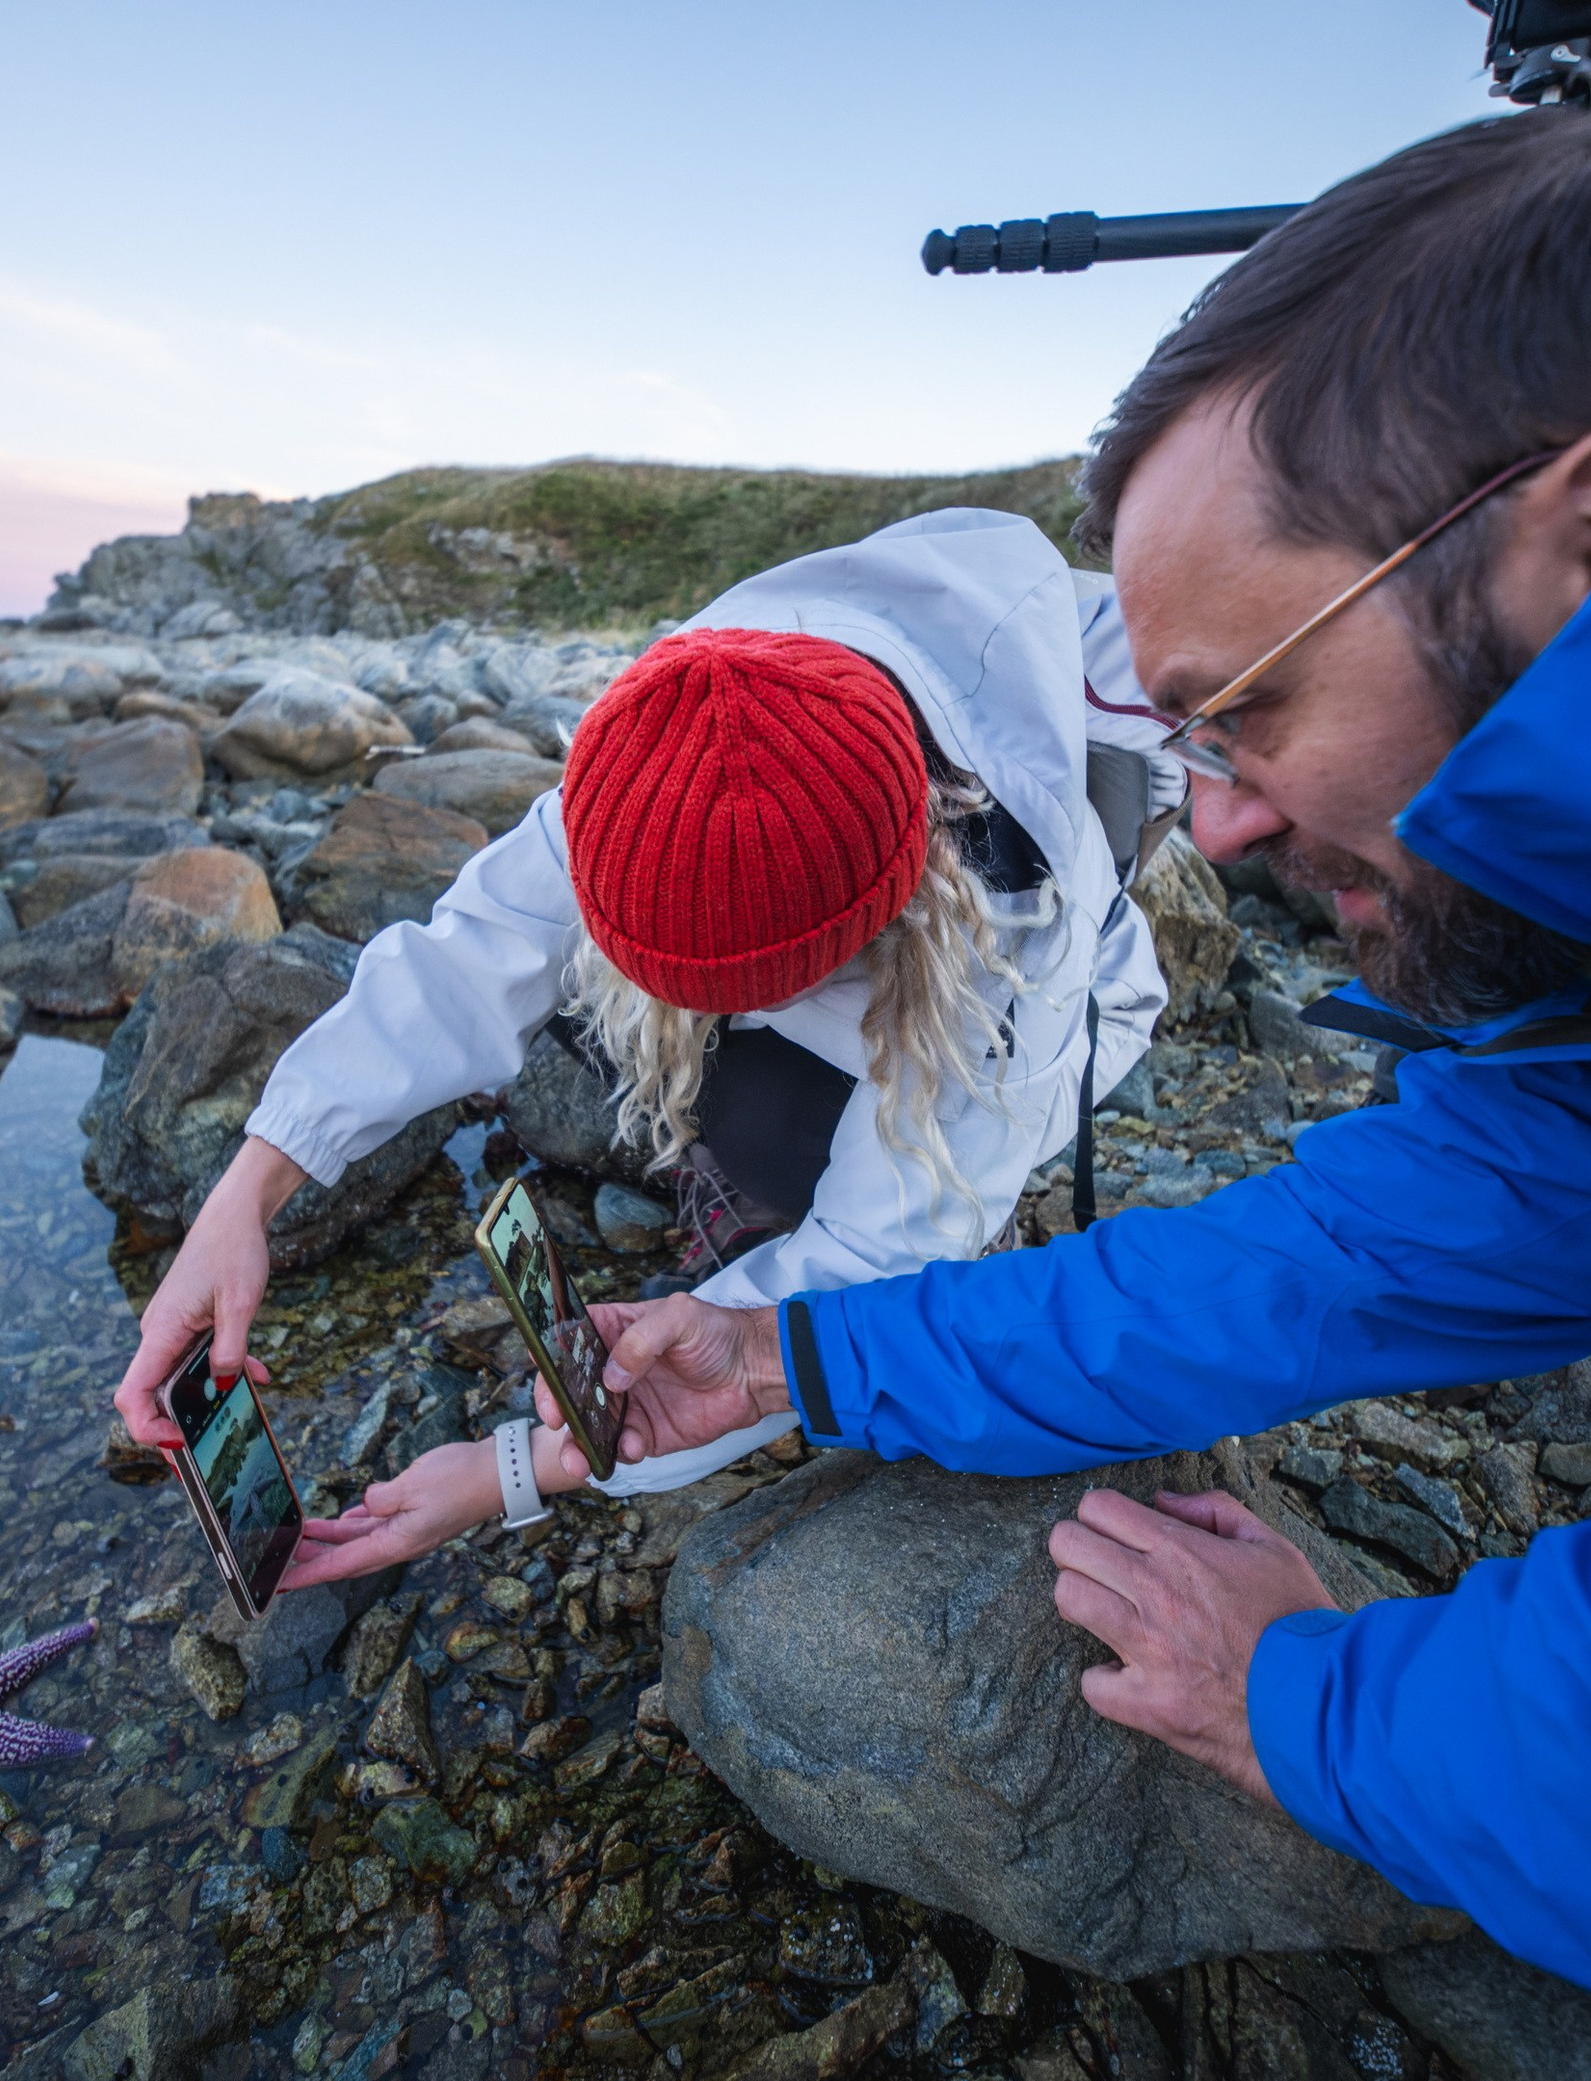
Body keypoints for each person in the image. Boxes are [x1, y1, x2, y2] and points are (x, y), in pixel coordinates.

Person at [546, 14, 1591, 2078]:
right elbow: (1323, 1261)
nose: (1212, 820)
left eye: (1243, 707)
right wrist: (799, 1357)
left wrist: (1304, 1700)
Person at [108, 509, 1177, 1578]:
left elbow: (879, 1254)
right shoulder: (662, 746)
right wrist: (245, 1194)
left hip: (1005, 978)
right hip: (845, 904)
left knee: (778, 1160)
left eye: (728, 992)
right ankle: (740, 1113)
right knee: (601, 1032)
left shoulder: (1018, 932)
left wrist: (517, 1467)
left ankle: (766, 1163)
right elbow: (458, 962)